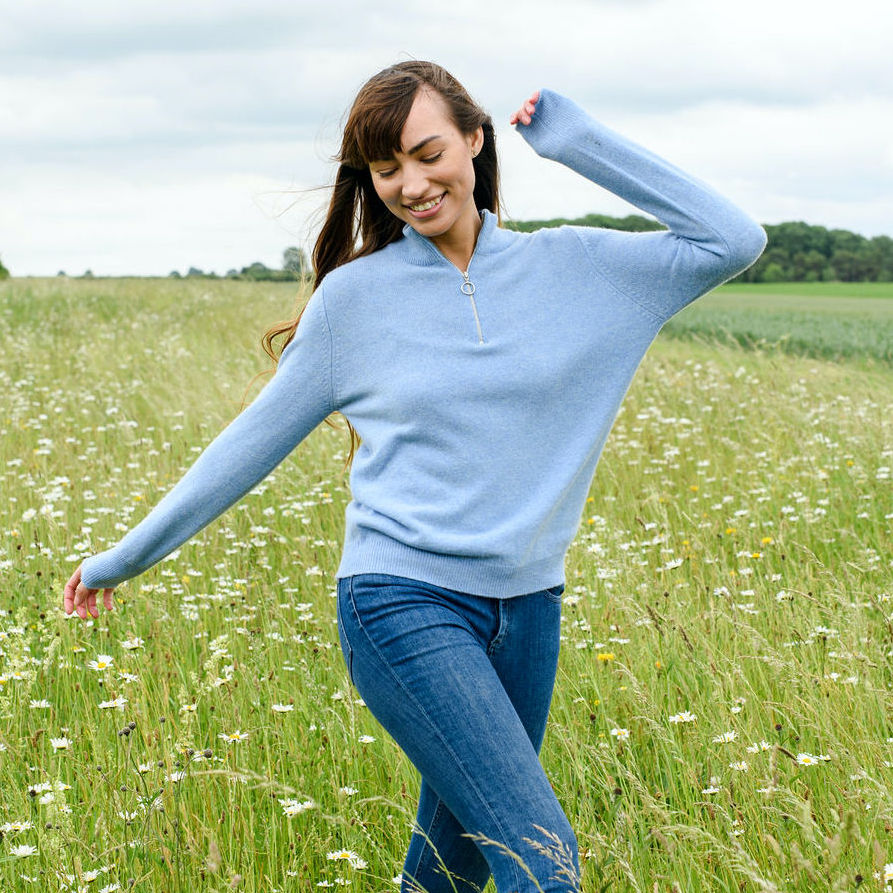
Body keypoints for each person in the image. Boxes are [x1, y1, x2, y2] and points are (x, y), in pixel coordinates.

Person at [63, 60, 766, 892]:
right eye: (385, 167)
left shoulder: (587, 272)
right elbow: (248, 442)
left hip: (529, 609)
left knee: (452, 867)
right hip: (399, 599)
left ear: (474, 139)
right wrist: (127, 555)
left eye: (427, 153)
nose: (410, 183)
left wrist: (577, 143)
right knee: (542, 860)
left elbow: (733, 239)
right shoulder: (354, 301)